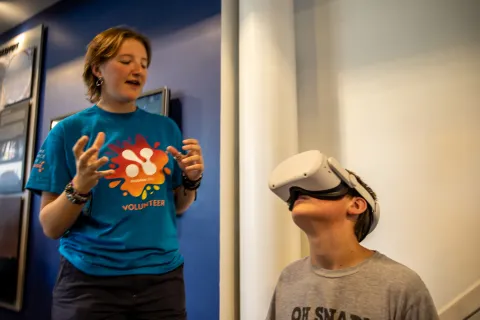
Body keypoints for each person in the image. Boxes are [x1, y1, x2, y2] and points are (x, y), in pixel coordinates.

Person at [26, 26, 204, 320]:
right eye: (126, 61)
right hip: (89, 284)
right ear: (97, 68)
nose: (138, 70)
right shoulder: (68, 133)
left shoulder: (166, 128)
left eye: (144, 64)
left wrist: (190, 180)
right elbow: (50, 226)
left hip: (162, 280)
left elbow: (177, 205)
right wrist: (80, 185)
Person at [266, 154, 438, 320]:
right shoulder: (289, 277)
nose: (299, 193)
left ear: (356, 205)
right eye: (295, 192)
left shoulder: (401, 285)